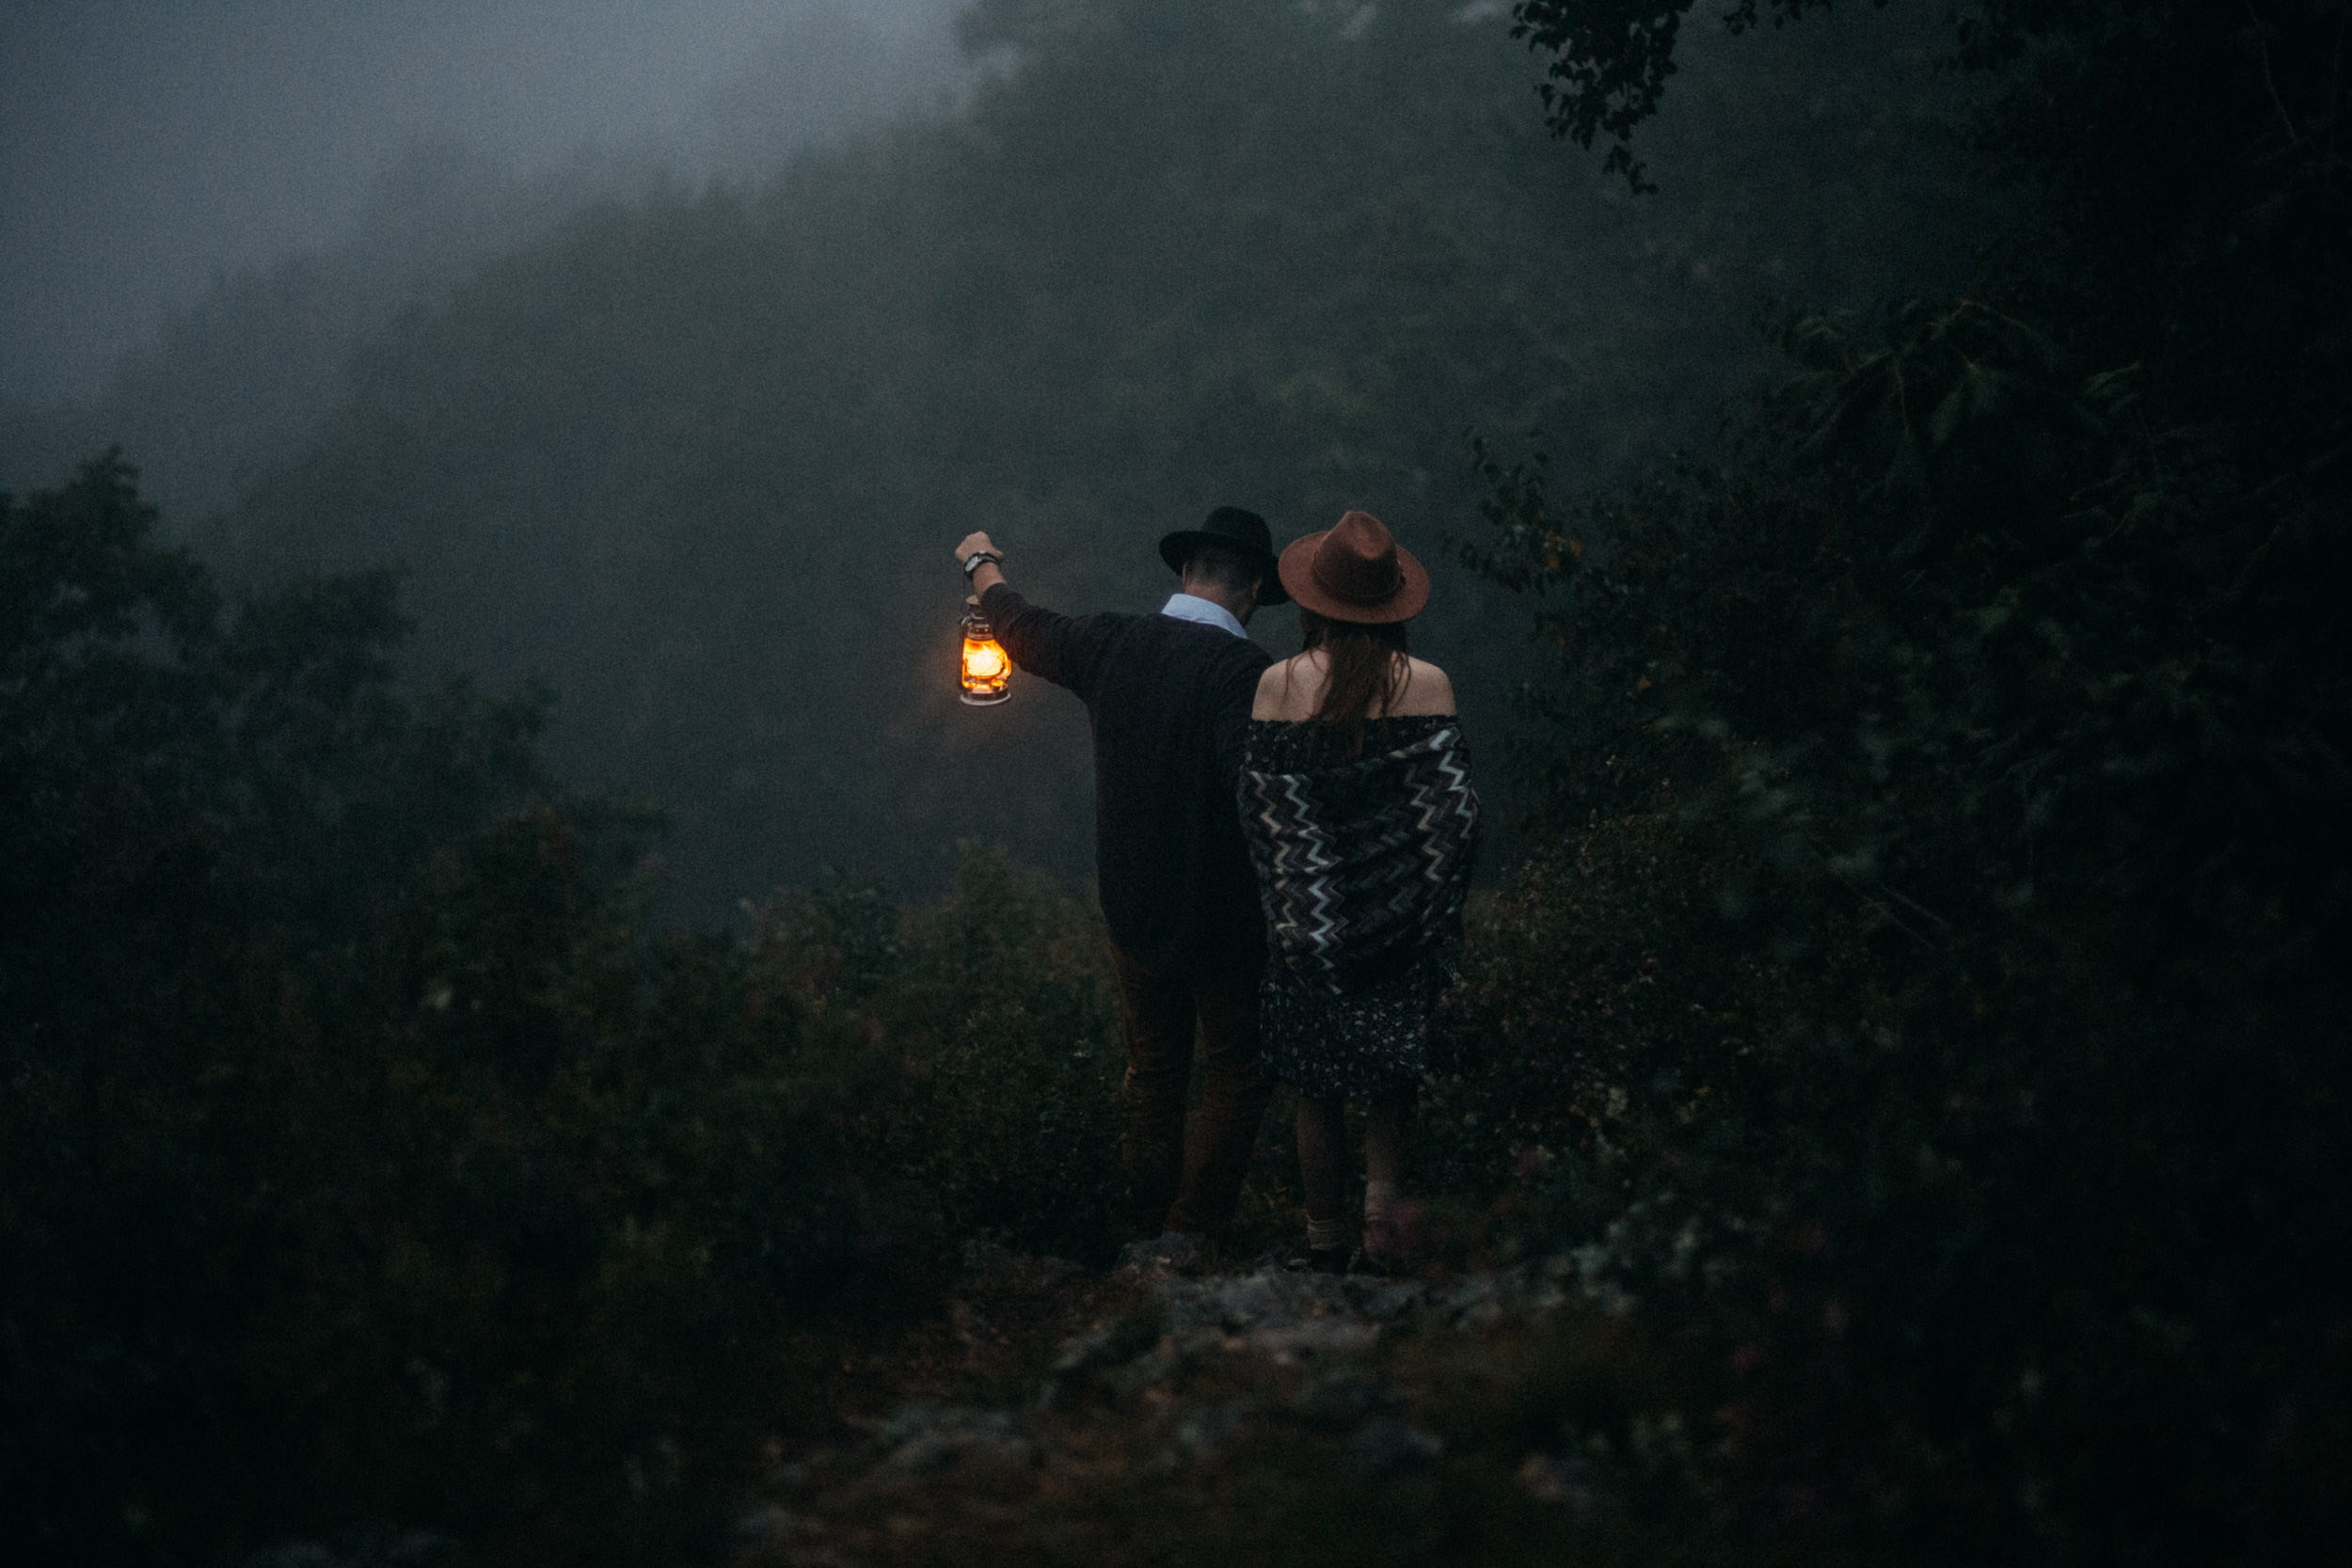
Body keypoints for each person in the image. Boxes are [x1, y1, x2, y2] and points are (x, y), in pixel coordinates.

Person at [951, 508, 1287, 1255]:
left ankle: (1140, 1226)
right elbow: (1253, 790)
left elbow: (1019, 623)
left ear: (1184, 573)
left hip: (1132, 913)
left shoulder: (1112, 641)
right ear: (1255, 590)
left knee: (1155, 1068)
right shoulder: (1247, 676)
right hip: (1223, 925)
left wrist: (981, 565)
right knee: (1237, 1070)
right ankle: (1188, 1236)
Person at [1238, 510, 1481, 1275]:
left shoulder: (1276, 685)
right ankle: (1383, 1238)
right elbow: (1453, 814)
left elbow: (1264, 814)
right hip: (1405, 921)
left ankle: (1323, 1238)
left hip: (1310, 925)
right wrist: (1424, 906)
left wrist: (1297, 901)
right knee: (1389, 1081)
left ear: (1313, 603)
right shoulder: (1430, 683)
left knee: (1315, 1085)